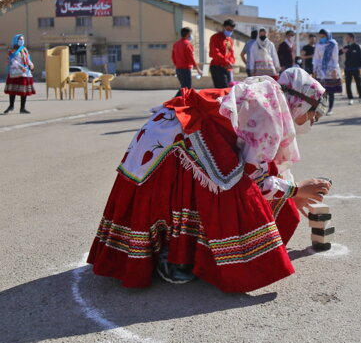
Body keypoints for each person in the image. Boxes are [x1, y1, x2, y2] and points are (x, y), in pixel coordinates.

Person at [86, 67, 332, 291]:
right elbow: (255, 181)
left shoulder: (267, 93)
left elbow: (263, 164)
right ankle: (173, 255)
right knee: (234, 190)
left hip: (163, 136)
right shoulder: (269, 113)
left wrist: (291, 193)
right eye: (312, 115)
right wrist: (295, 190)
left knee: (223, 175)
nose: (309, 122)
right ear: (299, 104)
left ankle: (177, 250)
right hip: (172, 147)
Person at [3, 34, 35, 114]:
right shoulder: (12, 50)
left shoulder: (24, 49)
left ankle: (22, 108)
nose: (22, 41)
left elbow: (28, 58)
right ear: (16, 40)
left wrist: (31, 64)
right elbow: (13, 61)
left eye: (22, 39)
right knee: (13, 90)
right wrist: (21, 67)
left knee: (23, 91)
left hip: (25, 73)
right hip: (15, 72)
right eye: (20, 39)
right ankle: (11, 106)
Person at [312, 29, 341, 115]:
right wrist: (314, 70)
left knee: (331, 91)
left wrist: (335, 70)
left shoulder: (333, 44)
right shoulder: (318, 45)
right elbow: (316, 58)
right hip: (320, 70)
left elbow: (335, 58)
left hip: (330, 69)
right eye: (320, 37)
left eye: (323, 36)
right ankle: (321, 108)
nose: (322, 38)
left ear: (328, 35)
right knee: (321, 91)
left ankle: (330, 109)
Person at [171, 27, 201, 96]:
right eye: (191, 34)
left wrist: (177, 64)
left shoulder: (176, 44)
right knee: (187, 88)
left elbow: (173, 56)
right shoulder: (187, 44)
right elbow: (190, 57)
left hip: (178, 69)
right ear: (188, 34)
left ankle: (177, 101)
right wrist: (197, 68)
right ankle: (175, 101)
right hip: (185, 69)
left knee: (184, 87)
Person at [209, 19, 236, 88]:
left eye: (231, 30)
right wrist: (226, 62)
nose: (230, 31)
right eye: (228, 29)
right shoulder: (215, 37)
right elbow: (215, 53)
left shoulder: (230, 40)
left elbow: (231, 53)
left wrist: (231, 62)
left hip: (228, 68)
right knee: (221, 89)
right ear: (223, 27)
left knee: (230, 89)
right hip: (217, 67)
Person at [340, 33, 361, 105]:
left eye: (347, 38)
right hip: (347, 69)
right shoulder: (346, 47)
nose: (346, 39)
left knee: (358, 83)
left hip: (355, 68)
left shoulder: (358, 47)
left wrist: (359, 66)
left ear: (351, 38)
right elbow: (338, 53)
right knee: (348, 84)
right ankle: (350, 99)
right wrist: (342, 51)